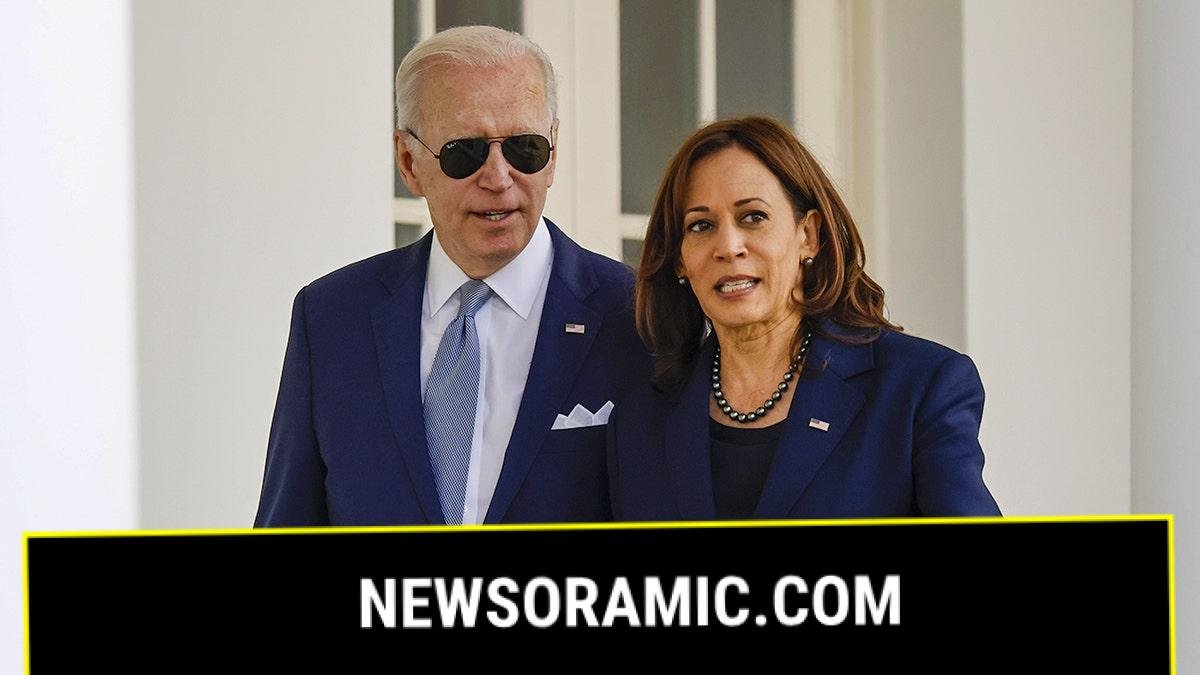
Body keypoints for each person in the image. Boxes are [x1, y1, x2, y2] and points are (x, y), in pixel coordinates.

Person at [255, 26, 648, 526]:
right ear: (408, 161)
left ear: (553, 151)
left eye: (525, 148)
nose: (499, 177)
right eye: (465, 151)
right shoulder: (332, 318)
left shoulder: (635, 315)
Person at [608, 116, 1000, 520]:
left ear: (808, 235)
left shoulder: (918, 387)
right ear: (680, 261)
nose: (728, 246)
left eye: (753, 217)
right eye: (701, 225)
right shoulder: (639, 425)